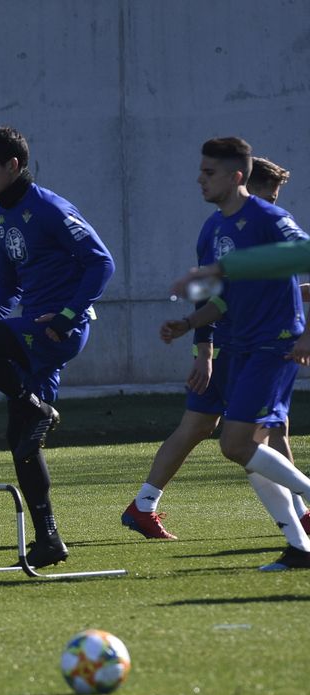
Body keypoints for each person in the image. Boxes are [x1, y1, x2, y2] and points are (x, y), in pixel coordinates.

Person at [122, 156, 307, 540]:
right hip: (238, 348)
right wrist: (202, 349)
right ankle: (302, 518)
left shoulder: (263, 227)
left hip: (246, 344)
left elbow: (250, 283)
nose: (272, 204)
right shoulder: (222, 228)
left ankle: (144, 504)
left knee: (212, 430)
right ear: (246, 187)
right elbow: (213, 293)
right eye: (268, 196)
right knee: (259, 434)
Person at [0, 127, 115, 568]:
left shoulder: (49, 208)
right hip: (31, 331)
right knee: (21, 439)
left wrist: (68, 316)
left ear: (13, 166)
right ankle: (49, 539)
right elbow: (8, 286)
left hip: (57, 331)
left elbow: (102, 262)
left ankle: (37, 409)